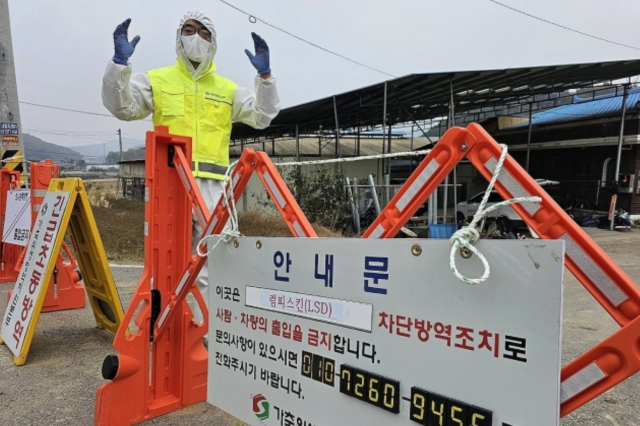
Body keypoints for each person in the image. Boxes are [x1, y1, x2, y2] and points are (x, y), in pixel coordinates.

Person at [102, 9, 280, 339]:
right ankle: (168, 331)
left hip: (213, 188)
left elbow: (263, 115)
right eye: (188, 29)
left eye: (203, 32)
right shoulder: (157, 80)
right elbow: (121, 107)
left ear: (213, 42)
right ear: (178, 37)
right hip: (170, 184)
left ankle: (211, 339)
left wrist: (266, 77)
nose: (194, 36)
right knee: (166, 264)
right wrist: (119, 65)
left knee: (215, 264)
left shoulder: (227, 88)